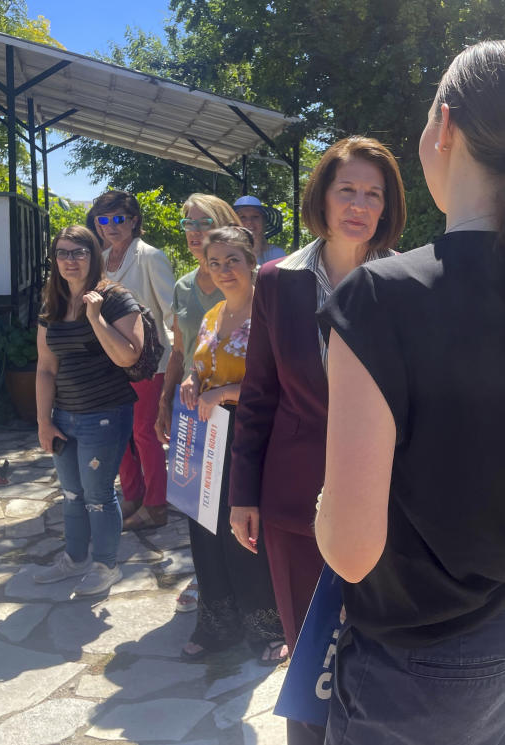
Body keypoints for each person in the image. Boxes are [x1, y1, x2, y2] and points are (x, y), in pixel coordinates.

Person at [315, 41, 505, 744]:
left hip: (424, 669)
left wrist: (322, 507)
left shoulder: (377, 298)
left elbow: (351, 550)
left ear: (444, 127)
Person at [228, 136, 406, 744]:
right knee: (309, 655)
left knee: (378, 652)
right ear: (322, 197)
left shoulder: (405, 282)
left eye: (373, 194)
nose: (359, 205)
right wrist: (241, 492)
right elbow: (258, 393)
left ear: (387, 207)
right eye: (347, 190)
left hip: (386, 499)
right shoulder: (278, 282)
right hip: (294, 501)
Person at [175, 225, 285, 662]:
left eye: (232, 261)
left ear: (251, 261)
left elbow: (278, 382)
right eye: (214, 262)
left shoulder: (270, 315)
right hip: (207, 434)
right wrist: (191, 380)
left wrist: (223, 393)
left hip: (251, 433)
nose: (223, 271)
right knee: (204, 528)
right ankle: (217, 622)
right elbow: (199, 366)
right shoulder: (211, 315)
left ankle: (269, 626)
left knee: (246, 528)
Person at [34, 226, 144, 596]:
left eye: (78, 252)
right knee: (71, 494)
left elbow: (129, 354)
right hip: (64, 415)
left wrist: (95, 318)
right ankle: (75, 559)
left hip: (105, 413)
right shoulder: (52, 301)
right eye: (62, 253)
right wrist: (43, 421)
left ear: (93, 256)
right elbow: (45, 367)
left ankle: (106, 565)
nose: (69, 260)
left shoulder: (115, 298)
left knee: (98, 495)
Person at [154, 194, 241, 613]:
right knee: (197, 499)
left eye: (202, 222)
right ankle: (205, 577)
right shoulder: (184, 285)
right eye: (187, 224)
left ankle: (243, 583)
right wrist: (164, 401)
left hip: (237, 404)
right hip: (193, 406)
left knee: (234, 499)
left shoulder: (243, 279)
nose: (193, 232)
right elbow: (178, 350)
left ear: (222, 225)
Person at [92, 190, 176, 531]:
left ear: (134, 221)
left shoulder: (150, 257)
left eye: (119, 219)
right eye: (104, 219)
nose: (112, 226)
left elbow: (171, 309)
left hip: (148, 360)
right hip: (111, 358)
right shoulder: (100, 258)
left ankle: (156, 504)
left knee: (145, 433)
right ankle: (132, 494)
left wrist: (179, 361)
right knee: (119, 432)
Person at [233, 195, 287, 265]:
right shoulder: (227, 254)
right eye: (242, 217)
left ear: (263, 221)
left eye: (255, 217)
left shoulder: (277, 254)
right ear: (235, 222)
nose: (249, 222)